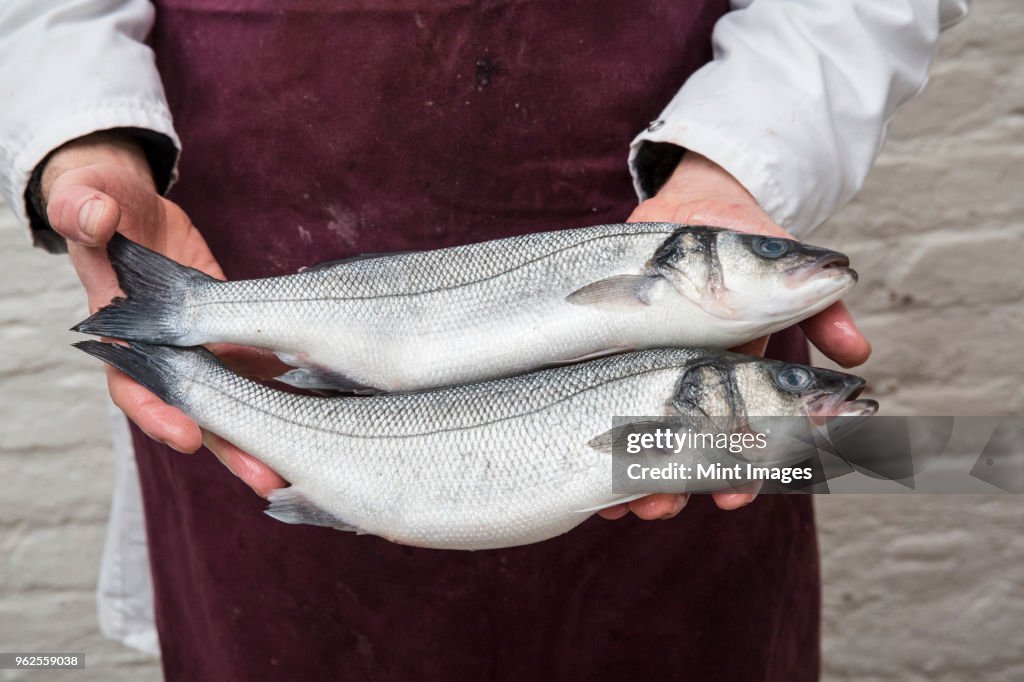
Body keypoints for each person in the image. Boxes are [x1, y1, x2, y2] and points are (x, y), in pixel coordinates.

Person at [0, 1, 967, 679]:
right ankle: (182, 331)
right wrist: (87, 146)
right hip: (245, 234)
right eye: (760, 257)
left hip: (673, 209)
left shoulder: (701, 354)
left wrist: (748, 157)